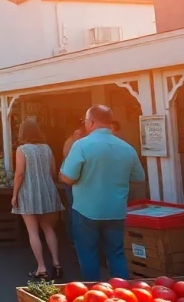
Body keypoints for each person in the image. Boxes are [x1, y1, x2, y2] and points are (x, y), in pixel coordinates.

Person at [60, 105, 146, 281]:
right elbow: (139, 177)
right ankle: (122, 294)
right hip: (115, 210)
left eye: (85, 121)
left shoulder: (81, 145)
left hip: (86, 210)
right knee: (116, 254)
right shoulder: (126, 148)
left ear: (91, 122)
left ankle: (94, 295)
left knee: (88, 255)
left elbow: (67, 178)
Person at [11, 119, 64, 280]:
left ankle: (41, 267)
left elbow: (19, 174)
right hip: (47, 190)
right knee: (48, 228)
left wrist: (14, 195)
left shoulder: (22, 149)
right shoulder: (47, 148)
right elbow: (53, 171)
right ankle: (56, 263)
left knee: (33, 230)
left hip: (29, 192)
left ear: (22, 133)